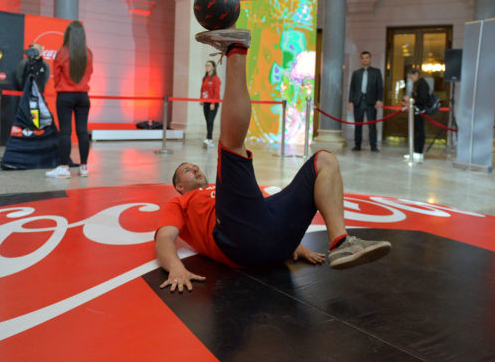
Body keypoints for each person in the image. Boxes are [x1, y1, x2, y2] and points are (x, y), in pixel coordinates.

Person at [155, 29, 392, 293]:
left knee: (324, 160)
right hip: (237, 243)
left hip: (274, 242)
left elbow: (266, 212)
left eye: (195, 166)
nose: (195, 169)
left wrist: (293, 244)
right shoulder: (179, 202)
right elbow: (165, 237)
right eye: (187, 170)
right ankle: (236, 50)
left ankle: (341, 242)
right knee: (232, 148)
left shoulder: (229, 192)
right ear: (179, 186)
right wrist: (175, 266)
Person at [46, 21, 93, 178]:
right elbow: (90, 73)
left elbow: (57, 77)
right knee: (82, 132)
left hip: (65, 96)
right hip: (83, 97)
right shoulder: (88, 53)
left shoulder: (62, 53)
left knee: (65, 132)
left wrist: (64, 86)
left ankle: (64, 168)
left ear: (68, 35)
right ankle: (84, 167)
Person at [348, 51, 384, 152]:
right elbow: (352, 88)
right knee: (358, 124)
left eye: (367, 57)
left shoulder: (376, 72)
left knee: (372, 125)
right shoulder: (356, 73)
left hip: (371, 102)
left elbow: (380, 87)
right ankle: (357, 145)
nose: (365, 59)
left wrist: (379, 100)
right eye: (363, 58)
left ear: (370, 59)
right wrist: (350, 101)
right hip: (358, 102)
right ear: (361, 60)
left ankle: (373, 146)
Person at [403, 68, 430, 163]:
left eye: (411, 77)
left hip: (420, 111)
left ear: (416, 74)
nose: (411, 79)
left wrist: (411, 99)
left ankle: (419, 152)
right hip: (416, 110)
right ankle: (415, 151)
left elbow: (423, 99)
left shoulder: (422, 84)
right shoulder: (418, 83)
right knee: (415, 131)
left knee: (419, 131)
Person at [200, 60, 221, 148]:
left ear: (213, 67)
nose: (207, 67)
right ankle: (208, 138)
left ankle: (210, 139)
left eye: (209, 65)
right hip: (206, 102)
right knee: (207, 121)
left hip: (213, 103)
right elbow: (202, 90)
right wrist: (201, 99)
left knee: (210, 121)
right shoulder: (205, 78)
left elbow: (216, 92)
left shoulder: (216, 79)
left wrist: (213, 103)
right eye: (206, 65)